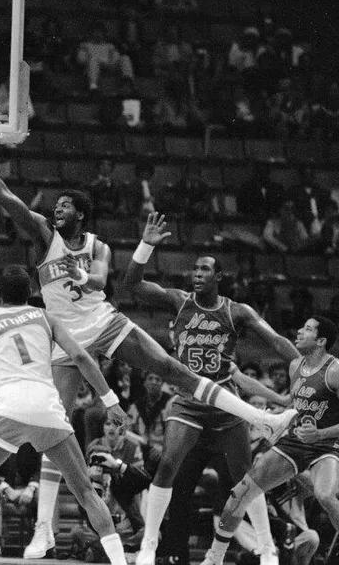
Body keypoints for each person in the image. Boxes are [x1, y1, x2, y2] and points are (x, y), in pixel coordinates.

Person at [0, 139, 297, 559]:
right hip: (66, 336)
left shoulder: (97, 244)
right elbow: (8, 199)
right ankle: (44, 528)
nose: (56, 210)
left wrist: (85, 278)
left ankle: (263, 418)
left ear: (79, 214)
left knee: (173, 368)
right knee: (54, 425)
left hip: (104, 321)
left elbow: (101, 281)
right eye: (56, 205)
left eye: (64, 206)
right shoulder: (45, 235)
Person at [124, 212, 298, 565]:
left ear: (219, 276)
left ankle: (267, 547)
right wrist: (146, 246)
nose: (197, 274)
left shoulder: (238, 312)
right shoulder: (179, 300)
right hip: (188, 401)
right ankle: (149, 545)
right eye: (195, 269)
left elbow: (278, 342)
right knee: (168, 464)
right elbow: (133, 286)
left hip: (224, 400)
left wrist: (308, 372)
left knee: (247, 477)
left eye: (205, 269)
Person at [0, 265, 130, 565]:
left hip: (7, 409)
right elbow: (81, 356)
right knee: (85, 492)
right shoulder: (45, 317)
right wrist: (111, 401)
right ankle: (119, 561)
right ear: (31, 294)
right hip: (47, 408)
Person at [200, 316, 339, 565]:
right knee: (240, 494)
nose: (299, 330)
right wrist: (238, 376)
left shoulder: (335, 370)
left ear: (321, 341)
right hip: (294, 442)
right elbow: (287, 402)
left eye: (307, 329)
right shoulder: (295, 367)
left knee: (325, 496)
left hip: (327, 444)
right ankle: (214, 558)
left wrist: (320, 434)